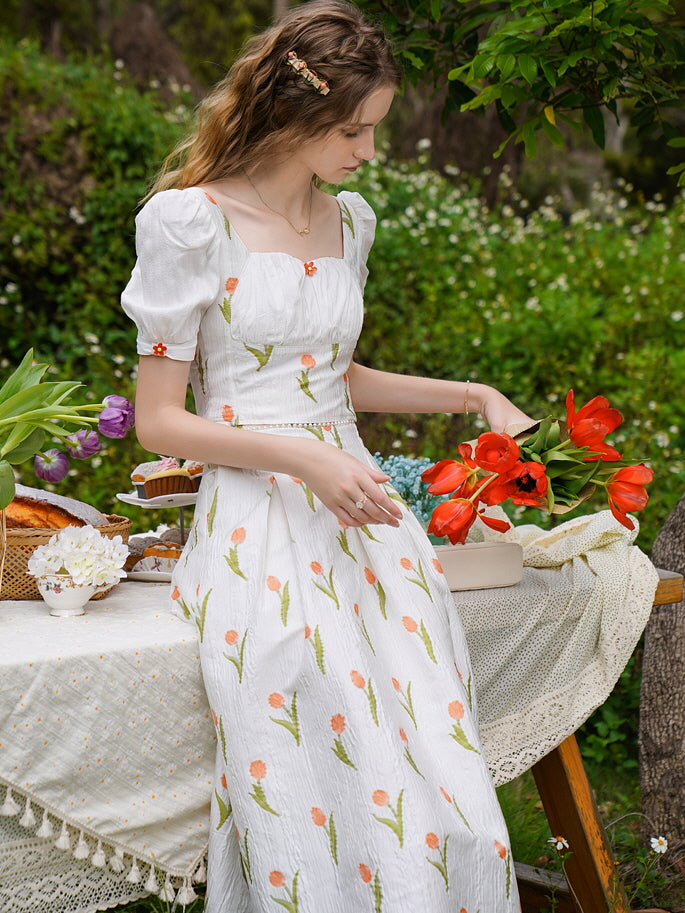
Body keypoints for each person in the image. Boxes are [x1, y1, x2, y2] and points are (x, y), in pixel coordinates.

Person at [122, 2, 530, 910]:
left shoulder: (349, 219)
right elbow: (159, 422)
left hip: (364, 519)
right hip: (260, 523)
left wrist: (472, 397)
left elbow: (337, 377)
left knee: (438, 770)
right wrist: (302, 461)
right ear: (292, 114)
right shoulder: (190, 221)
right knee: (308, 770)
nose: (367, 152)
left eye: (373, 130)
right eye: (353, 130)